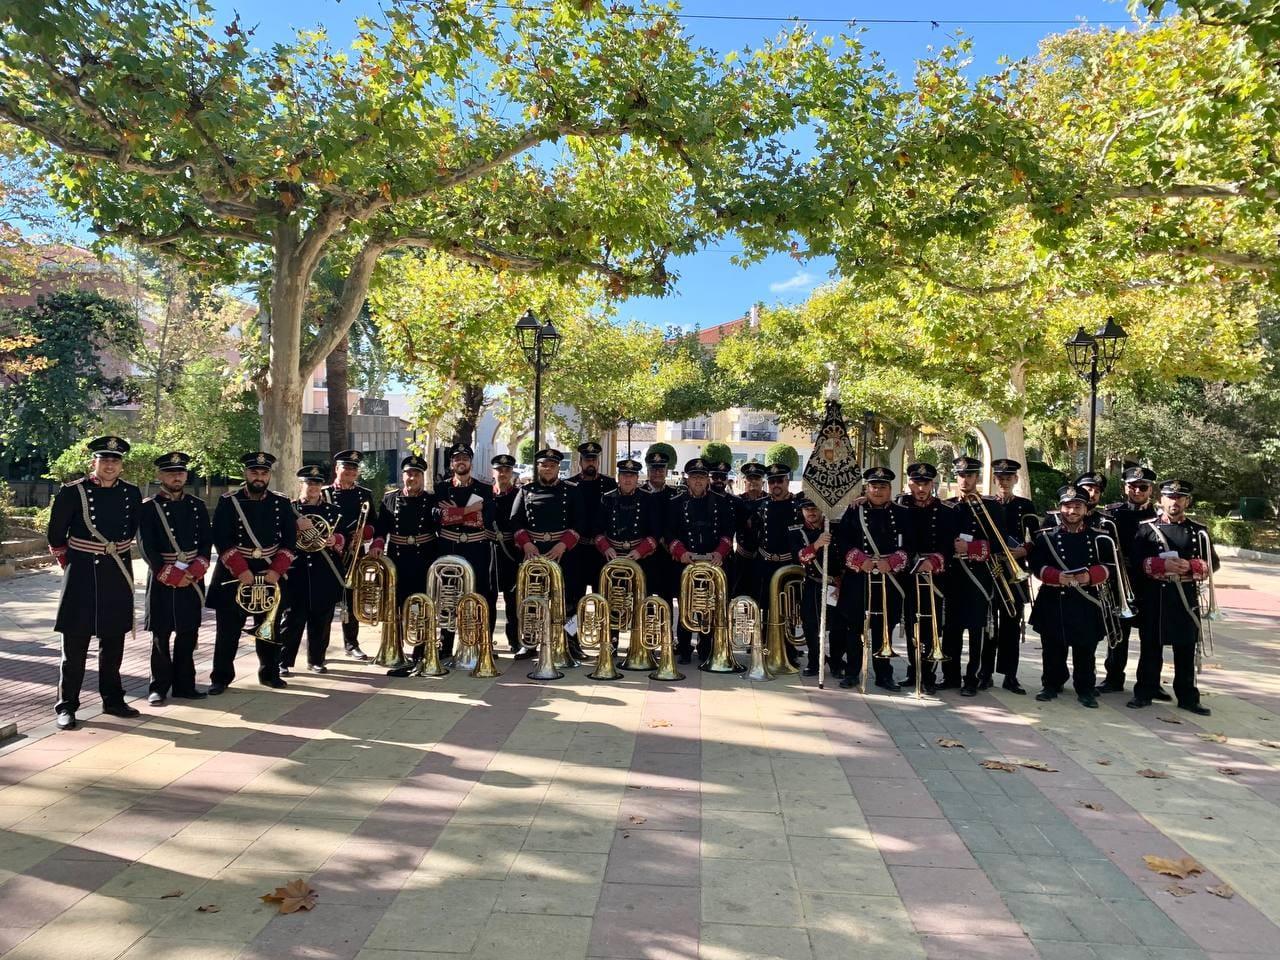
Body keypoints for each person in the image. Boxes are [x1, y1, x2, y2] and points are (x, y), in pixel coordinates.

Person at [46, 436, 144, 730]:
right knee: (74, 647)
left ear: (121, 465)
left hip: (117, 573)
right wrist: (74, 564)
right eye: (105, 460)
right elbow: (55, 537)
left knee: (113, 644)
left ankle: (113, 700)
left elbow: (131, 531)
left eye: (115, 461)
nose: (110, 465)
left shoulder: (131, 493)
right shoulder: (72, 492)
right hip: (82, 577)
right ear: (94, 463)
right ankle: (67, 706)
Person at [206, 452, 297, 692]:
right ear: (246, 473)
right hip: (235, 574)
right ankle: (220, 678)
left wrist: (276, 571)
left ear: (269, 475)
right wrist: (241, 570)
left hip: (270, 573)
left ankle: (269, 673)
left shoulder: (281, 502)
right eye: (254, 472)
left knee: (269, 628)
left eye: (263, 473)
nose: (259, 477)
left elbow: (290, 541)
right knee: (227, 631)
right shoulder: (229, 501)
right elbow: (221, 538)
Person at [1128, 479, 1219, 715]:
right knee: (1150, 648)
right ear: (1161, 500)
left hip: (1185, 596)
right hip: (1155, 595)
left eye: (1179, 498)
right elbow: (1134, 562)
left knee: (1186, 649)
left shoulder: (1198, 530)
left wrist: (1190, 566)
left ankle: (1188, 697)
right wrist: (1160, 564)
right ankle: (1144, 692)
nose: (1174, 502)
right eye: (1170, 497)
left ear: (1187, 501)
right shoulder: (1146, 528)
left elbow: (1213, 563)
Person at [1028, 484, 1110, 708]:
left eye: (1077, 507)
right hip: (1055, 597)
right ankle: (1051, 685)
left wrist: (1090, 576)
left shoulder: (1099, 537)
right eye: (1067, 506)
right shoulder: (1046, 537)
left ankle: (1085, 689)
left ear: (1085, 509)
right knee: (1053, 646)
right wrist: (1056, 576)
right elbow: (1036, 565)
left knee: (1086, 648)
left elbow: (1109, 565)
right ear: (1059, 508)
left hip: (1086, 598)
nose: (1071, 512)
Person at [139, 451, 211, 706]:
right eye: (171, 473)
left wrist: (195, 571)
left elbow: (205, 543)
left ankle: (185, 685)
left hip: (191, 578)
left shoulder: (197, 505)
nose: (176, 477)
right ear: (160, 476)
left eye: (180, 472)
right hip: (162, 578)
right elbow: (146, 547)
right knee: (161, 635)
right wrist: (171, 574)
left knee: (188, 634)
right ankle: (158, 686)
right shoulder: (149, 508)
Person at [835, 467, 910, 691]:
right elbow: (842, 542)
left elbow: (911, 544)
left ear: (890, 489)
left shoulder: (902, 513)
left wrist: (894, 561)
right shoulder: (853, 511)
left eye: (883, 487)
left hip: (889, 578)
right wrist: (859, 560)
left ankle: (883, 675)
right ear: (866, 488)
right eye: (873, 486)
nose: (878, 491)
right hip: (859, 577)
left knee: (883, 628)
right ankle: (852, 673)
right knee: (854, 627)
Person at [511, 448, 583, 648]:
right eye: (544, 465)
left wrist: (563, 545)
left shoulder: (572, 490)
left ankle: (571, 642)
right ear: (538, 467)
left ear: (558, 468)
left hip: (564, 553)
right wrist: (526, 543)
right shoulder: (526, 491)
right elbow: (515, 522)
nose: (548, 469)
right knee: (532, 600)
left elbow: (580, 523)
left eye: (552, 466)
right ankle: (530, 642)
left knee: (570, 602)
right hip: (534, 553)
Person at [374, 455, 439, 675]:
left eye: (417, 474)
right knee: (395, 607)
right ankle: (396, 649)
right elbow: (381, 529)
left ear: (422, 477)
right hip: (397, 559)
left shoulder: (432, 500)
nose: (412, 478)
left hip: (424, 559)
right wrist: (377, 545)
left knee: (423, 606)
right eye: (409, 473)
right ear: (403, 476)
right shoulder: (389, 499)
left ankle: (421, 650)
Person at [279, 465, 346, 676]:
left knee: (321, 619)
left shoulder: (333, 511)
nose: (313, 487)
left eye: (317, 483)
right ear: (302, 484)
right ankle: (283, 661)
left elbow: (346, 537)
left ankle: (316, 660)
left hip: (323, 571)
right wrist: (295, 526)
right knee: (292, 619)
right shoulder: (289, 510)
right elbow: (279, 538)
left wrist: (335, 539)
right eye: (309, 483)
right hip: (296, 571)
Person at [1097, 465, 1158, 696]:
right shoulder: (1113, 514)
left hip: (1149, 583)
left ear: (1150, 490)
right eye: (1133, 486)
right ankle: (1113, 678)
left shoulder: (1157, 516)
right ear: (1125, 488)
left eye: (1143, 487)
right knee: (1117, 634)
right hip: (1119, 582)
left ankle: (1149, 683)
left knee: (1151, 638)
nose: (1137, 491)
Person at [665, 457, 733, 664]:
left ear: (707, 480)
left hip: (712, 564)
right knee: (686, 606)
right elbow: (668, 533)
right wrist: (680, 552)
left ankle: (705, 648)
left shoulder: (721, 502)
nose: (698, 481)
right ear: (687, 479)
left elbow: (728, 533)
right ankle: (684, 649)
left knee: (708, 607)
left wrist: (720, 552)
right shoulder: (675, 503)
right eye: (694, 477)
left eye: (702, 477)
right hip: (686, 563)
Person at [432, 444, 496, 659]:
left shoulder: (485, 489)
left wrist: (453, 512)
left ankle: (480, 643)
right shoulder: (441, 488)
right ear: (452, 464)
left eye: (465, 459)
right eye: (457, 459)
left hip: (477, 549)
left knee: (479, 595)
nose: (461, 462)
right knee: (448, 596)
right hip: (449, 548)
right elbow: (438, 517)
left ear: (470, 462)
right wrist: (469, 511)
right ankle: (446, 645)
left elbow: (484, 520)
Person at [595, 458, 661, 656]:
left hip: (641, 558)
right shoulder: (606, 498)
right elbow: (597, 531)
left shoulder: (648, 499)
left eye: (631, 476)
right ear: (618, 477)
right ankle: (610, 644)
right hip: (613, 558)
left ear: (637, 478)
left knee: (644, 601)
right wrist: (606, 548)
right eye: (624, 475)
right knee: (612, 602)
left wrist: (639, 551)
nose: (628, 479)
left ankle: (644, 644)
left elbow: (656, 533)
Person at [942, 456, 995, 695]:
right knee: (951, 629)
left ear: (977, 478)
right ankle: (951, 676)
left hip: (978, 576)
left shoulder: (991, 506)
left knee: (976, 629)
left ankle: (972, 678)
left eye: (970, 475)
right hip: (953, 576)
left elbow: (999, 543)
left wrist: (971, 549)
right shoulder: (947, 506)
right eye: (961, 475)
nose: (965, 479)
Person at [896, 462, 951, 694]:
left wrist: (934, 561)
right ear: (909, 483)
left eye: (925, 483)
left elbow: (950, 544)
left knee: (931, 625)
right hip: (908, 574)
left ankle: (928, 673)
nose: (921, 488)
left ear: (932, 484)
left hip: (934, 576)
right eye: (916, 483)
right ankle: (913, 668)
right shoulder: (899, 507)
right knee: (911, 624)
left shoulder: (946, 510)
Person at [984, 458, 1036, 694]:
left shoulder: (1025, 505)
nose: (1004, 482)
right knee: (988, 623)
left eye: (1008, 478)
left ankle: (1010, 675)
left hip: (1014, 566)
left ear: (1016, 480)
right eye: (1000, 478)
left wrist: (1025, 549)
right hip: (990, 568)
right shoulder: (985, 503)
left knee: (1011, 624)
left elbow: (1036, 537)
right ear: (995, 480)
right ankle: (984, 673)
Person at [325, 449, 379, 661]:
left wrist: (363, 533)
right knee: (325, 604)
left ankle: (352, 644)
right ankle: (319, 648)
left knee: (352, 601)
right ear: (337, 469)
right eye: (346, 468)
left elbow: (374, 523)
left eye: (353, 469)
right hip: (329, 554)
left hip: (354, 554)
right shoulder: (324, 493)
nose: (349, 472)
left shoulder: (364, 494)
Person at [753, 463, 803, 666]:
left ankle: (788, 650)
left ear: (787, 481)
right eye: (772, 481)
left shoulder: (798, 505)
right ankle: (765, 648)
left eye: (779, 481)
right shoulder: (762, 505)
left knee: (789, 610)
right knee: (765, 608)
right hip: (765, 564)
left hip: (788, 565)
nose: (775, 485)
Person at [792, 495, 846, 677]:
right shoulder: (797, 531)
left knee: (838, 626)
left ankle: (837, 662)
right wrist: (816, 545)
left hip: (836, 584)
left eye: (815, 508)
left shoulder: (835, 526)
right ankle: (815, 661)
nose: (811, 512)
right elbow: (800, 556)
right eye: (807, 509)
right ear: (801, 510)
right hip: (813, 583)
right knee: (810, 625)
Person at [568, 440, 617, 614]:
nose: (591, 463)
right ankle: (572, 639)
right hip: (576, 550)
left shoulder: (610, 484)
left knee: (604, 599)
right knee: (573, 601)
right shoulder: (570, 485)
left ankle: (606, 640)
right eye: (587, 460)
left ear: (598, 462)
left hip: (601, 552)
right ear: (580, 462)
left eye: (594, 460)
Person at [490, 454, 523, 656]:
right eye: (499, 470)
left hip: (512, 551)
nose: (503, 474)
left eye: (507, 470)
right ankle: (486, 641)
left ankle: (516, 641)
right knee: (489, 598)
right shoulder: (485, 494)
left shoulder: (520, 494)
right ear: (493, 472)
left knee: (514, 600)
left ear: (512, 473)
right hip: (490, 551)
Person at [642, 448, 678, 613]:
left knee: (667, 598)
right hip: (645, 556)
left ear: (666, 471)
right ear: (648, 471)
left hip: (667, 556)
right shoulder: (639, 493)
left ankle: (667, 635)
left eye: (661, 469)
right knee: (645, 597)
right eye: (653, 469)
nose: (657, 472)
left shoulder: (675, 495)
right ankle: (646, 636)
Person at [731, 461, 767, 600]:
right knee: (738, 596)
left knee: (761, 596)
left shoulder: (769, 500)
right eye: (750, 478)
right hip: (742, 556)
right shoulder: (737, 501)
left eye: (757, 478)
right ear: (744, 481)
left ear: (762, 481)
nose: (753, 482)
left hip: (762, 557)